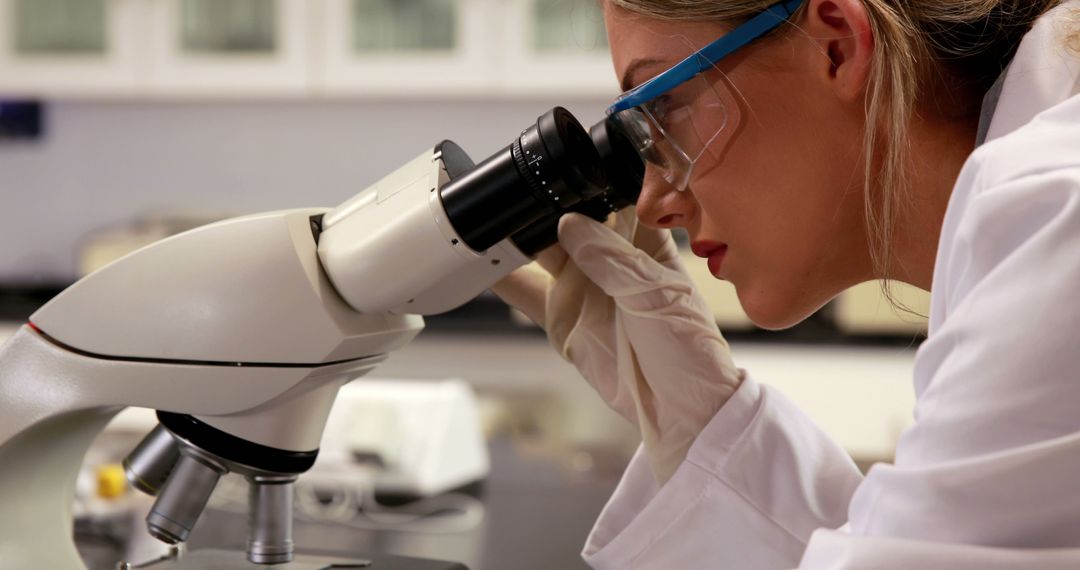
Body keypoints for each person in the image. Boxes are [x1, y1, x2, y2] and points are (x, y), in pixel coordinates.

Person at [493, 0, 1080, 567]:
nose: (651, 204)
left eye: (663, 109)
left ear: (835, 46)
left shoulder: (1057, 214)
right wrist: (706, 427)